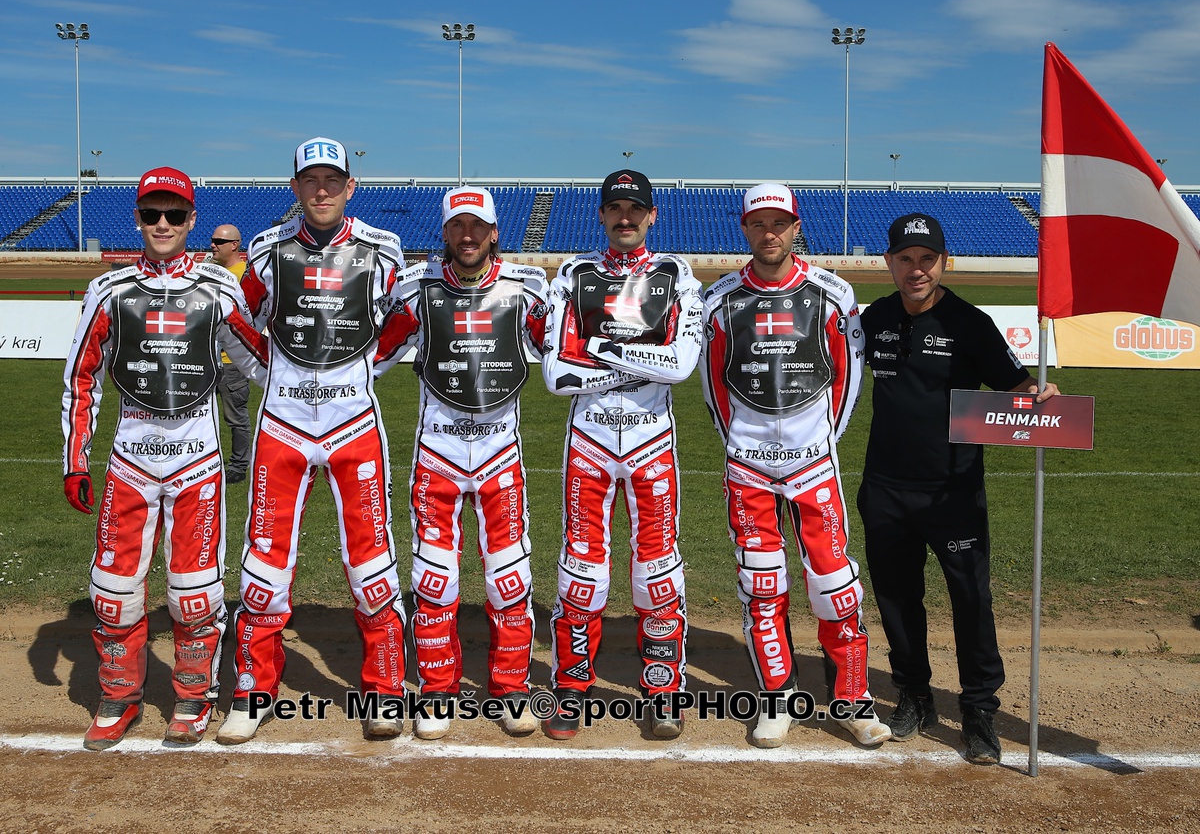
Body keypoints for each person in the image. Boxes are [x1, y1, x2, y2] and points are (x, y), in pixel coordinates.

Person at [61, 167, 267, 750]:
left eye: (174, 214)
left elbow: (261, 364)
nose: (162, 224)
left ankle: (193, 698)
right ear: (137, 218)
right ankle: (118, 696)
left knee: (194, 591)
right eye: (151, 213)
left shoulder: (219, 290)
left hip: (197, 463)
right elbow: (80, 378)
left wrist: (320, 394)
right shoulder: (109, 290)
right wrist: (75, 460)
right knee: (113, 590)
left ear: (191, 220)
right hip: (130, 462)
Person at [217, 137, 409, 744]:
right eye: (310, 180)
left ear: (350, 186)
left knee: (372, 562)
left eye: (332, 180)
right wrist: (271, 375)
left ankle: (385, 689)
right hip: (283, 425)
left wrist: (362, 371)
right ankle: (252, 689)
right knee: (264, 566)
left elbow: (404, 323)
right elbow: (234, 320)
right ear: (295, 186)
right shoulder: (267, 249)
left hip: (356, 425)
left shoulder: (384, 249)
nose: (321, 190)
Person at [859, 213, 1059, 765]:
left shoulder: (971, 323)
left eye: (927, 259)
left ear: (944, 262)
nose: (916, 269)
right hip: (886, 488)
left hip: (953, 492)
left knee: (971, 600)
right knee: (897, 599)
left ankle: (978, 710)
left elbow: (1017, 385)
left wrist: (1039, 394)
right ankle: (914, 695)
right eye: (905, 259)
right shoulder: (874, 318)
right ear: (889, 263)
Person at [700, 183, 890, 749]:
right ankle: (777, 698)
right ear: (744, 228)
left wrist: (822, 441)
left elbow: (849, 378)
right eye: (759, 223)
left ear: (796, 227)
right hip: (748, 468)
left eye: (779, 223)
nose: (769, 233)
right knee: (761, 585)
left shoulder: (832, 293)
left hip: (814, 464)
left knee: (835, 585)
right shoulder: (720, 299)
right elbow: (714, 385)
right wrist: (740, 443)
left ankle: (852, 699)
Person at [375, 186, 548, 740]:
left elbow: (559, 353)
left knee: (510, 578)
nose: (467, 236)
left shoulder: (527, 289)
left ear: (494, 232)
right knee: (433, 579)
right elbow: (373, 356)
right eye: (457, 226)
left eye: (477, 226)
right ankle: (437, 689)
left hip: (501, 454)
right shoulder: (415, 290)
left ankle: (511, 688)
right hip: (438, 455)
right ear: (446, 232)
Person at [540, 169, 703, 740]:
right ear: (602, 215)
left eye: (636, 208)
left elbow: (681, 365)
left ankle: (663, 689)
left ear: (652, 215)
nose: (626, 217)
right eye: (615, 208)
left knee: (657, 569)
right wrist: (639, 357)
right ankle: (571, 687)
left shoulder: (675, 275)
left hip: (651, 442)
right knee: (580, 570)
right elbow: (556, 375)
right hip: (589, 442)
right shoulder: (574, 274)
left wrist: (599, 347)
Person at [210, 224, 253, 485]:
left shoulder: (246, 278)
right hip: (206, 360)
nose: (212, 245)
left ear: (234, 245)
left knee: (235, 416)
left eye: (219, 241)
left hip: (232, 362)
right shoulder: (210, 274)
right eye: (213, 240)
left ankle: (238, 465)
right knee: (202, 417)